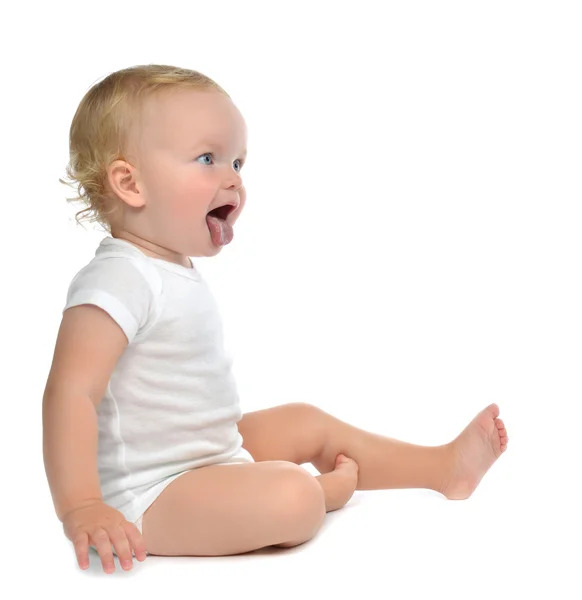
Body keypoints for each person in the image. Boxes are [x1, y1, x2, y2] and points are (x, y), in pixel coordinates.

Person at [42, 64, 509, 576]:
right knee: (291, 498)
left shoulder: (169, 265)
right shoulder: (118, 277)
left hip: (206, 452)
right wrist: (84, 505)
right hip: (149, 495)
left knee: (304, 420)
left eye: (238, 164)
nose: (233, 181)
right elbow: (71, 393)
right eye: (207, 159)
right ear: (130, 183)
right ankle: (318, 497)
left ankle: (441, 467)